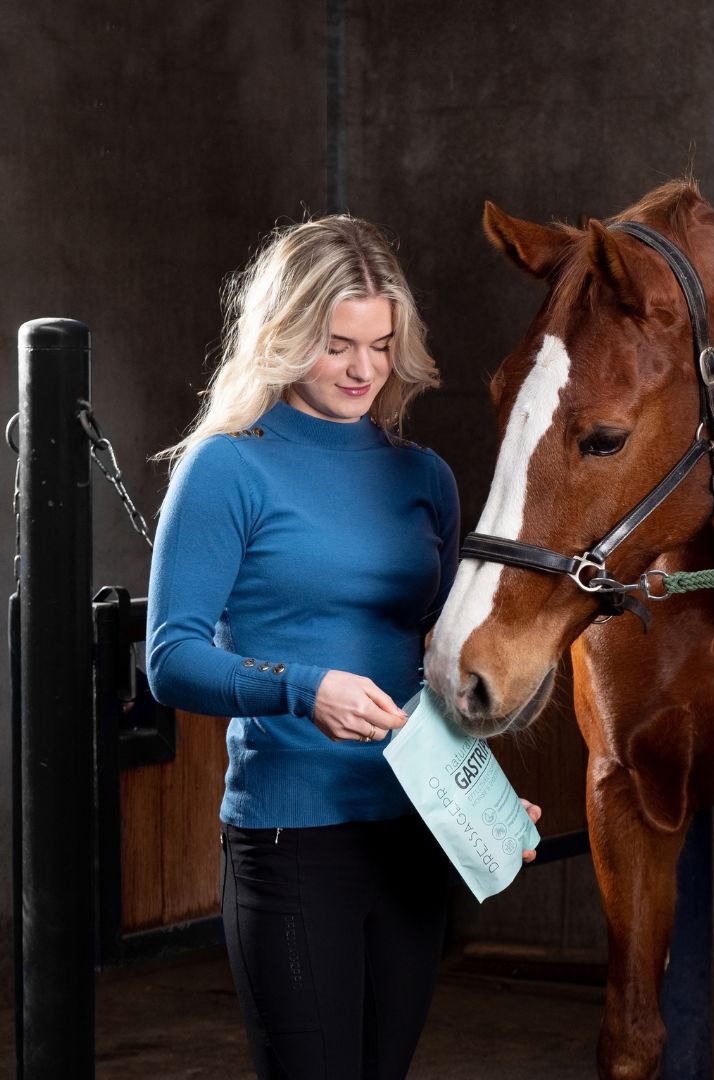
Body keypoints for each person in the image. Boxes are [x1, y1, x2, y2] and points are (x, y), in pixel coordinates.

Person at [146, 215, 540, 1080]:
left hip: (414, 835)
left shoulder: (425, 477)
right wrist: (304, 688)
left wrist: (485, 799)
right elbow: (170, 659)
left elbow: (440, 667)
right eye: (337, 345)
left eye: (381, 344)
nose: (365, 370)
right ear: (286, 336)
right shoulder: (226, 468)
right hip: (292, 841)